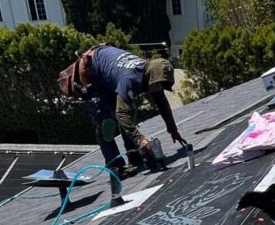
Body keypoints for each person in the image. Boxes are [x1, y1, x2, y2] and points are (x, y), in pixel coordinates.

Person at [59, 46, 188, 186]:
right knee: (107, 122)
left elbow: (162, 103)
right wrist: (140, 140)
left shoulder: (153, 76)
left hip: (109, 74)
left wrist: (173, 129)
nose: (158, 89)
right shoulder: (130, 79)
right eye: (158, 85)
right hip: (91, 74)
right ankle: (117, 168)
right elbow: (121, 114)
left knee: (128, 112)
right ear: (151, 77)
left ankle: (135, 157)